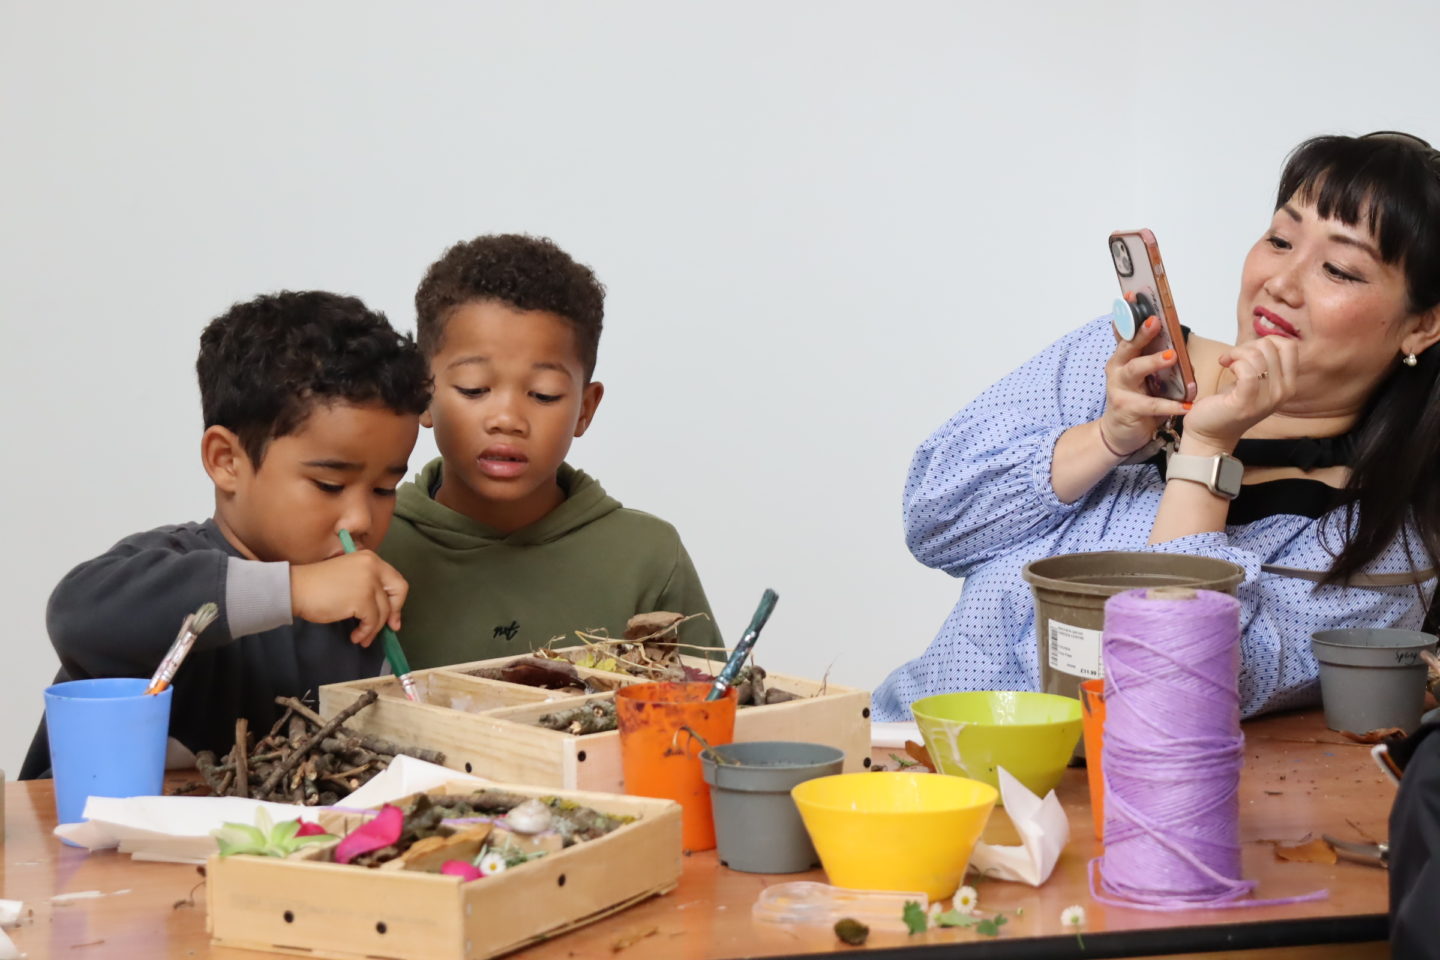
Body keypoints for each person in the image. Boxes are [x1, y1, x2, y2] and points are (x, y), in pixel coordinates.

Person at [875, 131, 1440, 722]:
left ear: (1422, 327)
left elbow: (1172, 694)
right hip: (908, 756)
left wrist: (1205, 451)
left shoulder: (1376, 541)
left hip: (1103, 804)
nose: (1281, 282)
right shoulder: (1127, 358)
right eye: (1279, 239)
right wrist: (1107, 437)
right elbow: (932, 524)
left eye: (1339, 269)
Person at [20, 291, 431, 778]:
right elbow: (76, 614)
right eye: (329, 484)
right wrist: (293, 590)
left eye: (385, 488)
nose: (361, 518)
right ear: (226, 461)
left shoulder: (359, 617)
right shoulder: (171, 566)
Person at [379, 233, 721, 668]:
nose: (507, 418)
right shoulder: (369, 545)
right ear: (422, 395)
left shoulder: (647, 557)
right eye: (474, 389)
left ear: (585, 408)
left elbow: (711, 715)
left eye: (543, 395)